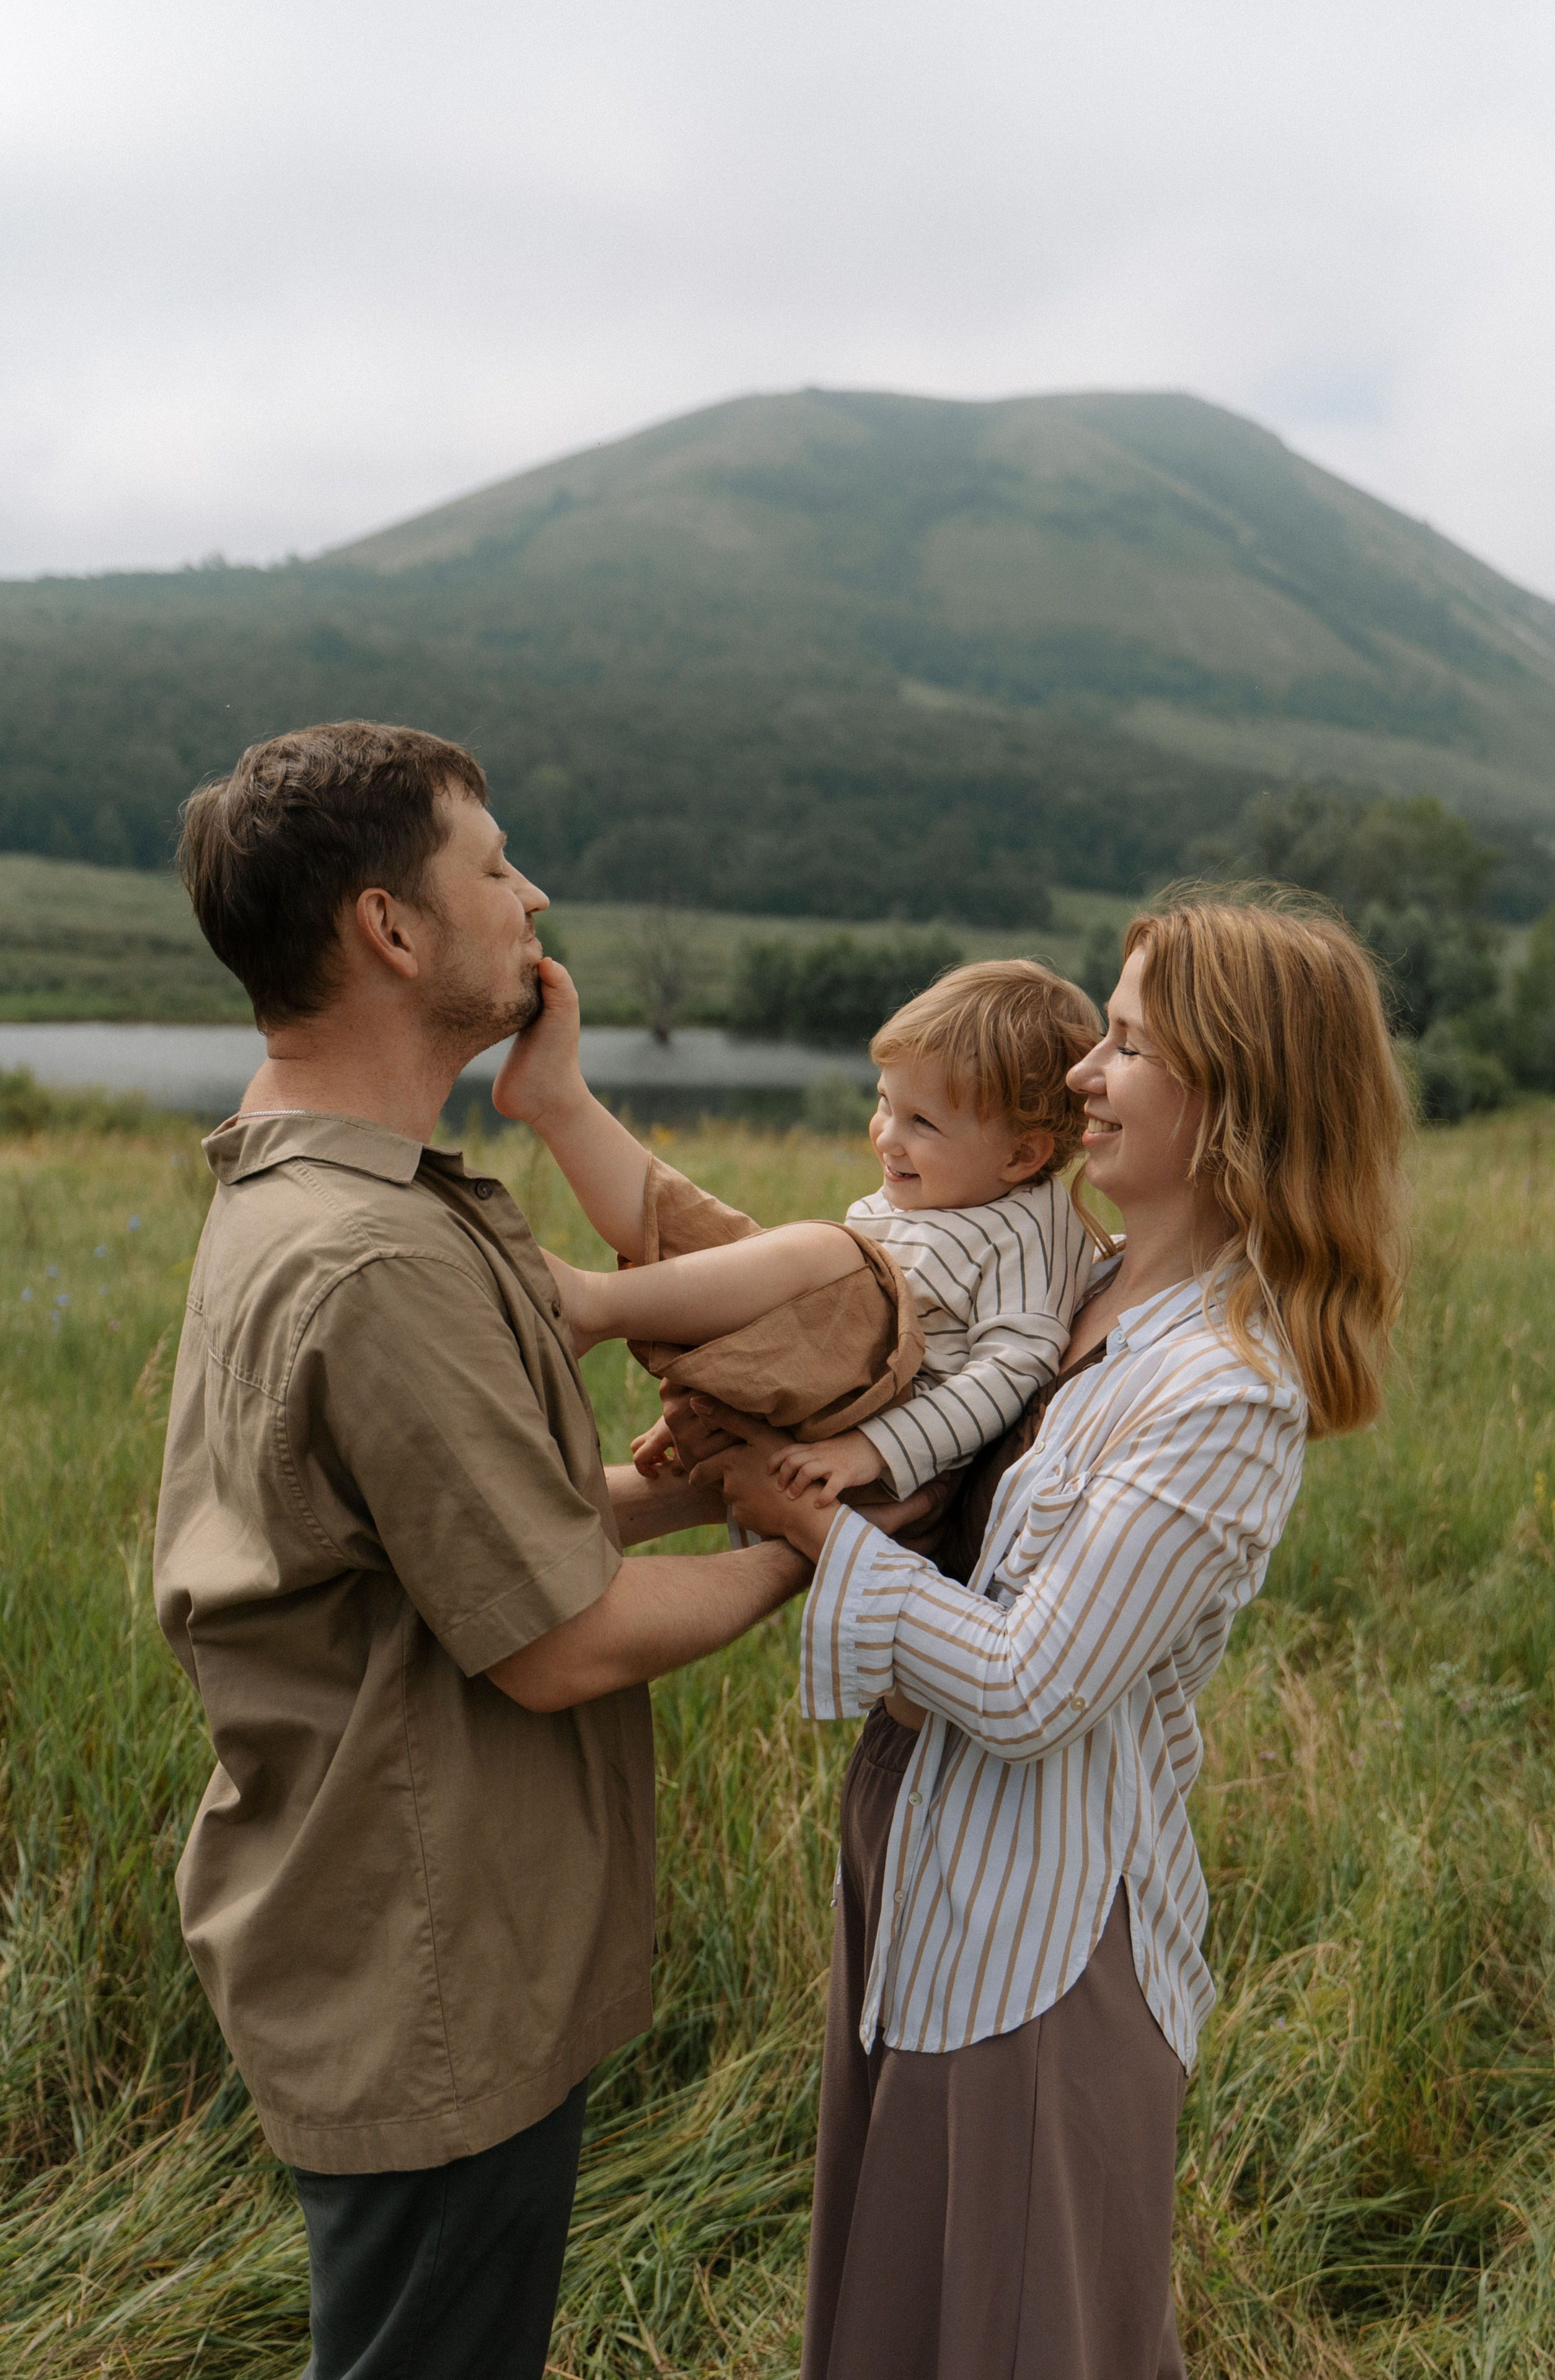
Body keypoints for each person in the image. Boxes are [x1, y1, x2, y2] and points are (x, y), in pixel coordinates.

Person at [152, 719, 843, 2380]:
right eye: (493, 865)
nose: (532, 896)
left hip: (414, 1948)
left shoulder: (322, 1198)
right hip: (427, 1965)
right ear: (390, 931)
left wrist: (698, 1492)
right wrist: (806, 1554)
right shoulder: (377, 1255)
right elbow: (559, 1637)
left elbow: (469, 1544)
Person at [687, 898, 1411, 2380]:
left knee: (1019, 2337)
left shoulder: (1223, 1389)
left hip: (1042, 1938)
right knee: (894, 2316)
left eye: (1129, 1042)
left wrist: (816, 1531)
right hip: (915, 1879)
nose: (1081, 1068)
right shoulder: (1068, 1294)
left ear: (1232, 1099)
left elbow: (1026, 1685)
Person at [507, 961, 1104, 1511]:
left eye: (923, 1122)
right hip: (840, 1400)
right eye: (884, 1102)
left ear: (1022, 1154)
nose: (887, 1137)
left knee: (825, 1253)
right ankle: (560, 1105)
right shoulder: (945, 1194)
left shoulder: (1029, 1233)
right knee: (729, 1248)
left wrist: (873, 1449)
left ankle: (592, 1306)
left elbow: (1008, 1376)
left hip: (894, 1452)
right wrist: (722, 1391)